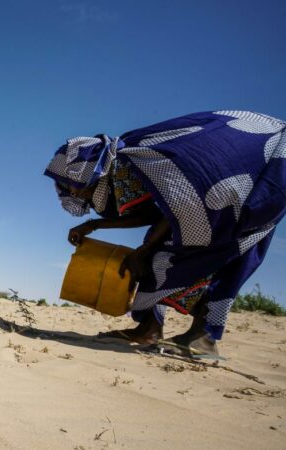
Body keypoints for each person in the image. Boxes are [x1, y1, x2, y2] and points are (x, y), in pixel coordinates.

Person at [44, 110, 286, 358]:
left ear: (83, 171)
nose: (69, 192)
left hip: (236, 205)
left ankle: (196, 336)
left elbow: (179, 204)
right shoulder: (126, 166)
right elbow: (153, 212)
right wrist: (94, 226)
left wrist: (145, 250)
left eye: (67, 183)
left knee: (166, 259)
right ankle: (159, 330)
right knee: (166, 257)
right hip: (229, 209)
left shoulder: (130, 163)